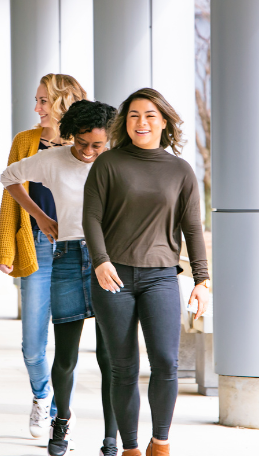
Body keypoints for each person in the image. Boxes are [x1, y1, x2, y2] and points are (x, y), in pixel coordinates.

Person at [83, 88, 210, 456]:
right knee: (123, 367)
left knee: (166, 362)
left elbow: (192, 227)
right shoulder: (108, 163)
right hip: (114, 277)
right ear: (125, 121)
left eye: (150, 115)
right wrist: (100, 260)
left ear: (164, 121)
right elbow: (91, 216)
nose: (142, 122)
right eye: (135, 115)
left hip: (160, 277)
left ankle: (161, 442)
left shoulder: (181, 171)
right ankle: (131, 449)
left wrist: (202, 280)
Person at [1, 100, 119, 456]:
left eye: (97, 145)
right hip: (68, 257)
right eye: (82, 143)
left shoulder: (118, 162)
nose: (87, 151)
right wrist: (39, 215)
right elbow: (8, 178)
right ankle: (62, 420)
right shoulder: (53, 160)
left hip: (111, 262)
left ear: (109, 140)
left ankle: (112, 435)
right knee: (65, 355)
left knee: (110, 356)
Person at [0, 73, 87, 438]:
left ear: (64, 101)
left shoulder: (87, 143)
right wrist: (7, 246)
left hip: (76, 251)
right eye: (37, 101)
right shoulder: (26, 141)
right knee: (33, 344)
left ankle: (59, 409)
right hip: (36, 244)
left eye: (43, 101)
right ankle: (41, 396)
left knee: (66, 340)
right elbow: (9, 191)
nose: (37, 108)